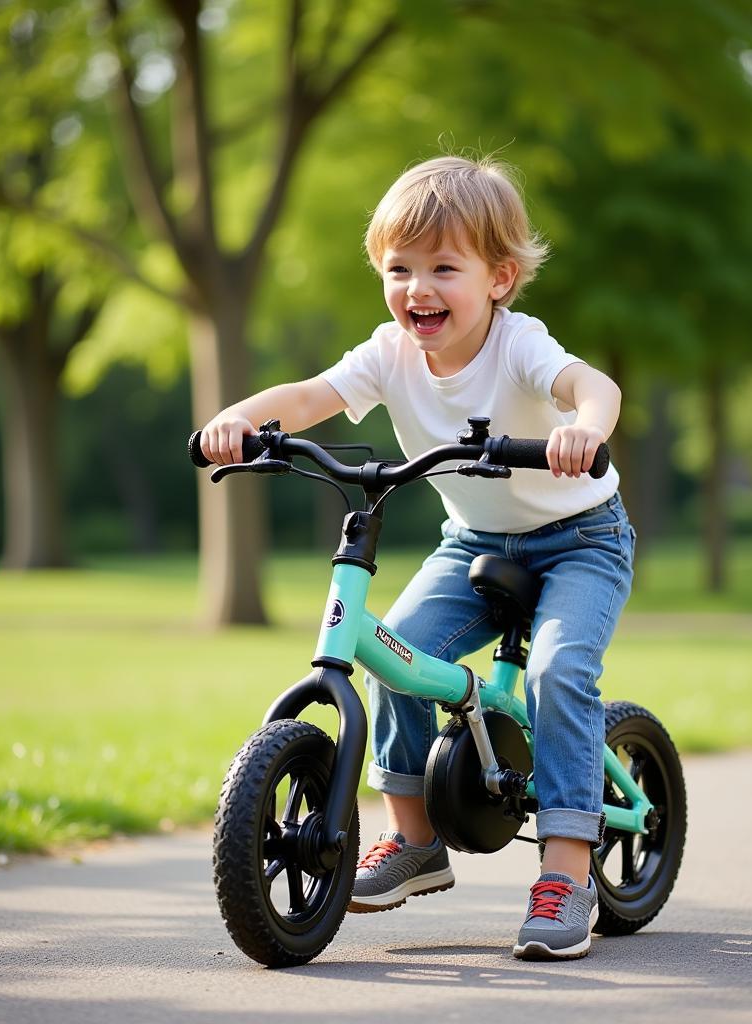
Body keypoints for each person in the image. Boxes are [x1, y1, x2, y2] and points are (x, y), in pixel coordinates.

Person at [198, 155, 634, 960]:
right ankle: (416, 839)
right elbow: (306, 399)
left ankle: (568, 872)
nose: (417, 289)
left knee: (558, 671)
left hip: (581, 540)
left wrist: (584, 430)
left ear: (499, 279)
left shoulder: (519, 346)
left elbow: (591, 384)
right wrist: (236, 418)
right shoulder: (389, 353)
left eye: (443, 268)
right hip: (474, 539)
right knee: (391, 649)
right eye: (399, 268)